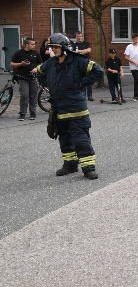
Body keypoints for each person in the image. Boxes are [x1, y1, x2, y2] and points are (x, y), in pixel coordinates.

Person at [32, 33, 103, 180]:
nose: (53, 50)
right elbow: (38, 72)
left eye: (55, 47)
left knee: (81, 140)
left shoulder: (78, 61)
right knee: (64, 139)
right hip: (59, 110)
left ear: (64, 47)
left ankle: (88, 168)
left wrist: (81, 84)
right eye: (51, 47)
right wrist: (47, 84)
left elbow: (98, 72)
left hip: (77, 109)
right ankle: (70, 165)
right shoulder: (51, 63)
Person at [10, 37, 42, 121]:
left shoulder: (36, 53)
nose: (34, 46)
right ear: (26, 44)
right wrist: (21, 64)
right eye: (32, 44)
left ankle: (33, 113)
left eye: (34, 44)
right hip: (22, 77)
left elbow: (41, 64)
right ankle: (22, 113)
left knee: (33, 96)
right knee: (24, 95)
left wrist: (36, 69)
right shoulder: (18, 53)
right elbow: (12, 64)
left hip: (33, 77)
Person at [70, 31, 93, 100]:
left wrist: (79, 52)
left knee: (88, 80)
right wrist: (83, 51)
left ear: (82, 37)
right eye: (78, 36)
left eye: (80, 36)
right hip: (78, 65)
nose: (79, 38)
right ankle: (82, 95)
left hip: (87, 64)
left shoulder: (86, 43)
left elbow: (88, 50)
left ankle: (90, 96)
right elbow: (72, 53)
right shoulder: (74, 45)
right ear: (76, 37)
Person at [124, 33, 138, 102]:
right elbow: (126, 56)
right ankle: (136, 95)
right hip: (133, 66)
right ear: (132, 39)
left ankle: (136, 95)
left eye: (137, 39)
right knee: (136, 79)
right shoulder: (129, 46)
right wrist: (134, 62)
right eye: (135, 39)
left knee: (137, 80)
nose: (137, 40)